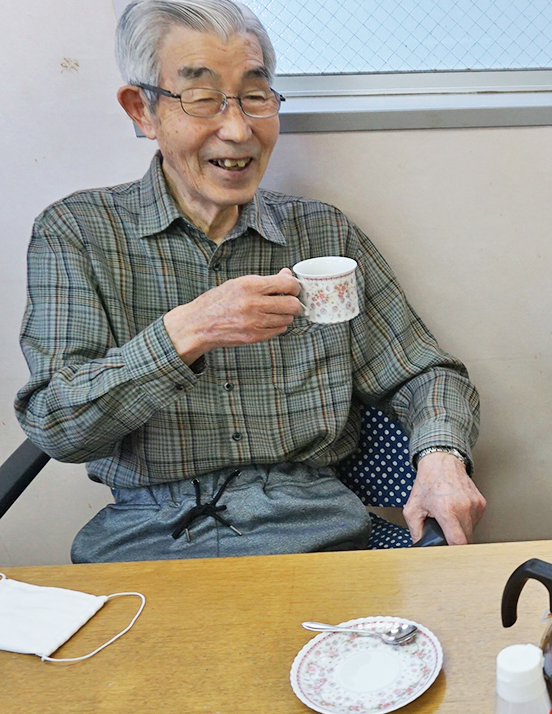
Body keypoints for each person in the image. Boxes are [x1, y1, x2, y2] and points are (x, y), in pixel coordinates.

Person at [15, 0, 485, 561]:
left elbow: (424, 373)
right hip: (145, 541)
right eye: (202, 98)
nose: (238, 130)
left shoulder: (321, 234)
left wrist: (441, 456)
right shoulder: (78, 233)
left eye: (256, 96)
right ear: (142, 110)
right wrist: (188, 332)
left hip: (317, 533)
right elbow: (57, 425)